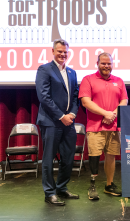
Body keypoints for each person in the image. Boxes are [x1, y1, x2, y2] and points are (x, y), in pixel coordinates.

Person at [35, 39, 80, 206]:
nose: (62, 54)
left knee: (68, 158)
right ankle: (49, 193)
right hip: (51, 121)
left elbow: (75, 96)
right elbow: (44, 97)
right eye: (59, 51)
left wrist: (73, 113)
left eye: (65, 52)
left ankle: (62, 188)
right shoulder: (44, 69)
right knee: (48, 158)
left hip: (69, 122)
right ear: (53, 51)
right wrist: (62, 116)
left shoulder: (72, 72)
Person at [79, 52, 128, 200]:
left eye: (109, 63)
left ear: (112, 64)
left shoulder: (119, 81)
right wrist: (105, 114)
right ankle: (92, 186)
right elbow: (85, 102)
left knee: (111, 156)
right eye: (103, 63)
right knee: (94, 156)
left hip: (114, 126)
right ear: (97, 63)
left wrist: (112, 114)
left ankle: (109, 185)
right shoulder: (88, 79)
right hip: (95, 127)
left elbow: (124, 101)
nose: (106, 66)